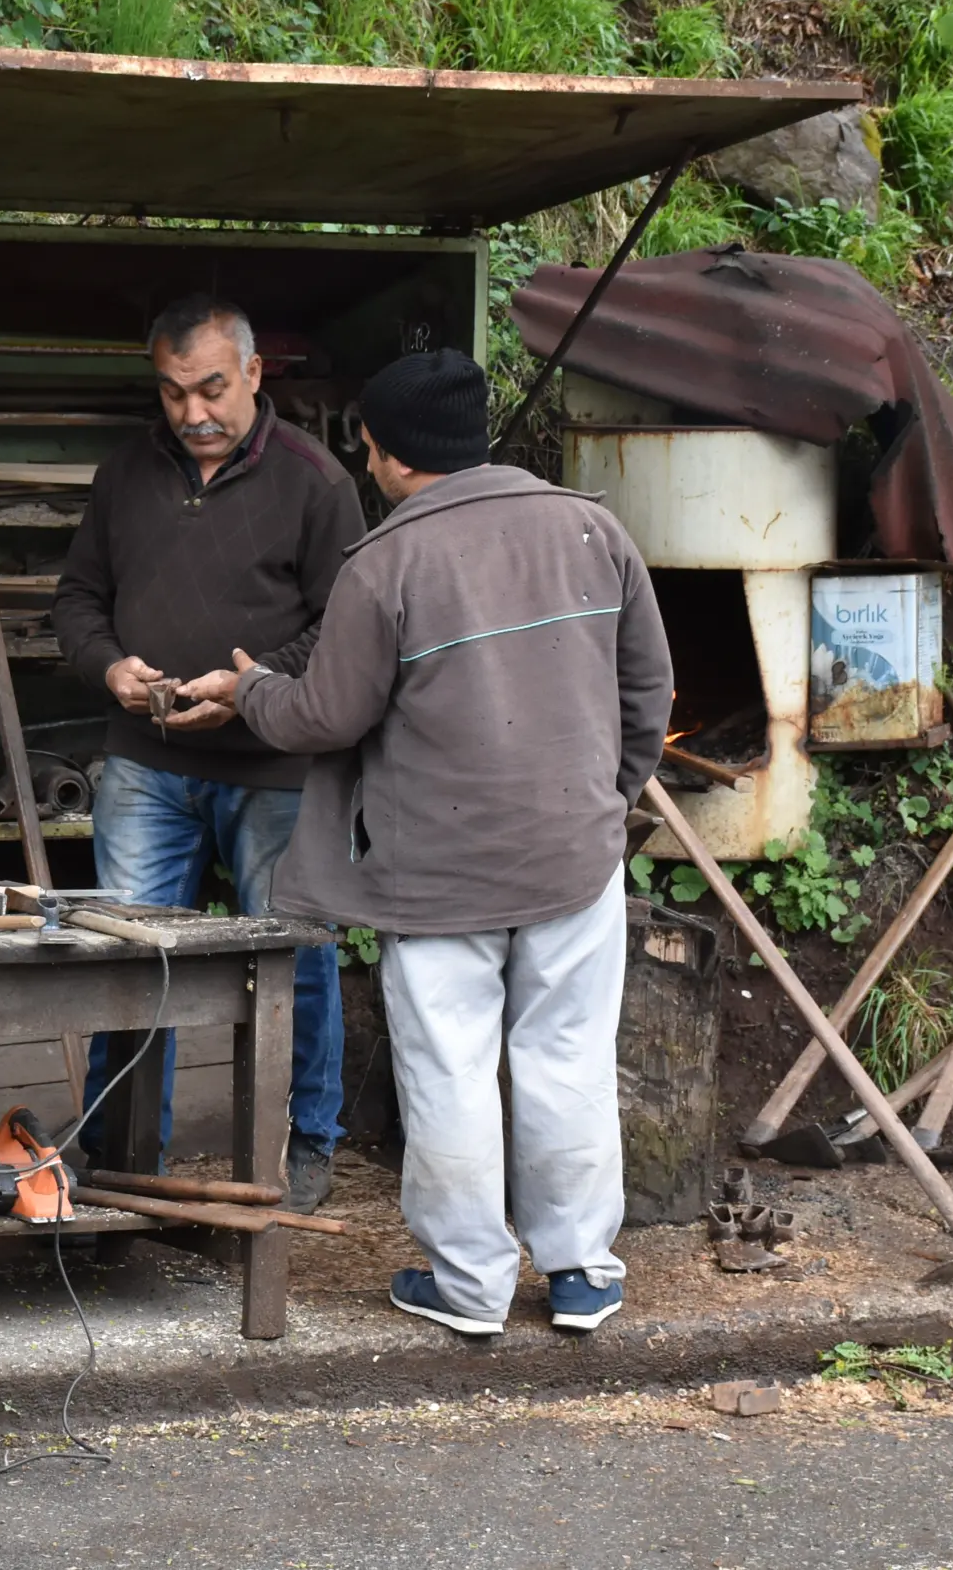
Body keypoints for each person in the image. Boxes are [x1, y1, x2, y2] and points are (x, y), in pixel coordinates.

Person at [179, 348, 672, 1335]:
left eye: (367, 449)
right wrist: (601, 800)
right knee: (567, 1054)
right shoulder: (592, 529)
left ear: (390, 456)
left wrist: (251, 691)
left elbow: (326, 714)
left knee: (447, 1066)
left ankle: (469, 1284)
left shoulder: (386, 563)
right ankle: (580, 1273)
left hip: (435, 875)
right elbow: (646, 691)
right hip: (573, 857)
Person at [50, 293, 366, 1212]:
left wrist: (252, 687)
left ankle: (302, 1147)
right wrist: (109, 669)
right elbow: (77, 601)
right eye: (173, 393)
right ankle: (120, 1157)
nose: (193, 414)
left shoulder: (317, 482)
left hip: (274, 766)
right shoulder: (125, 475)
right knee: (133, 957)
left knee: (296, 958)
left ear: (256, 375)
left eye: (212, 389)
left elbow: (345, 631)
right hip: (147, 765)